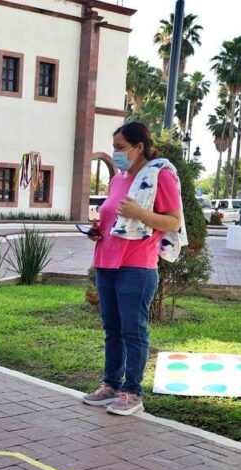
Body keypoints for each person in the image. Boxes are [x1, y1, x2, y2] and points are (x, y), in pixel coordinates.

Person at [82, 121, 185, 416]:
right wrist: (97, 230)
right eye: (114, 147)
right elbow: (114, 218)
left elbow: (173, 222)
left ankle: (132, 392)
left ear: (138, 147)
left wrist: (140, 213)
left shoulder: (160, 176)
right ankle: (111, 385)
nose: (116, 153)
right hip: (106, 261)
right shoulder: (119, 178)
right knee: (112, 329)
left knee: (133, 330)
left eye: (120, 148)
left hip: (137, 266)